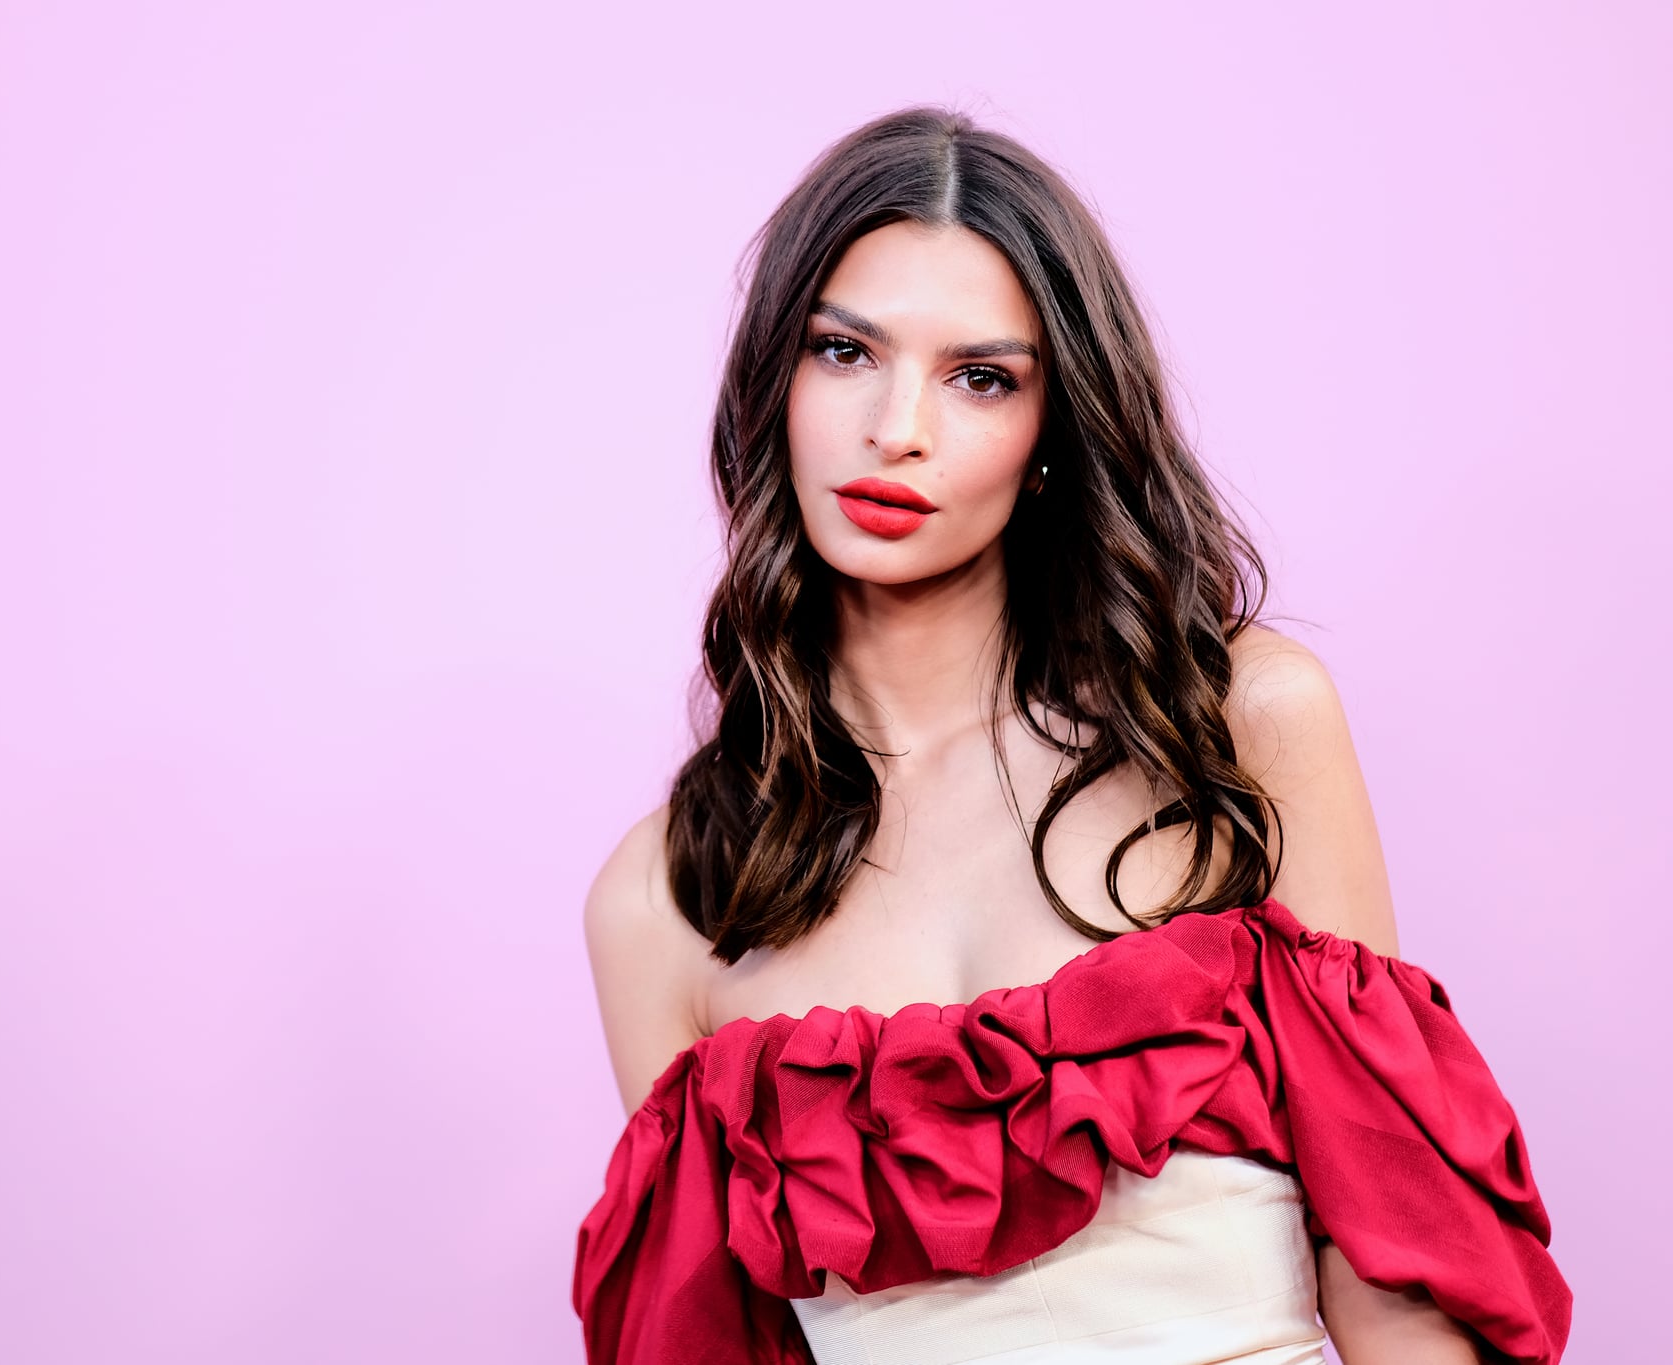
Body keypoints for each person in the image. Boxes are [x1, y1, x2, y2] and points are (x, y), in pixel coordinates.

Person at [569, 107, 1572, 1365]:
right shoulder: (662, 900)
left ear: (1050, 435)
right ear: (772, 376)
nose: (898, 429)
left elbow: (1395, 1267)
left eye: (978, 377)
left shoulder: (1236, 730)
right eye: (843, 352)